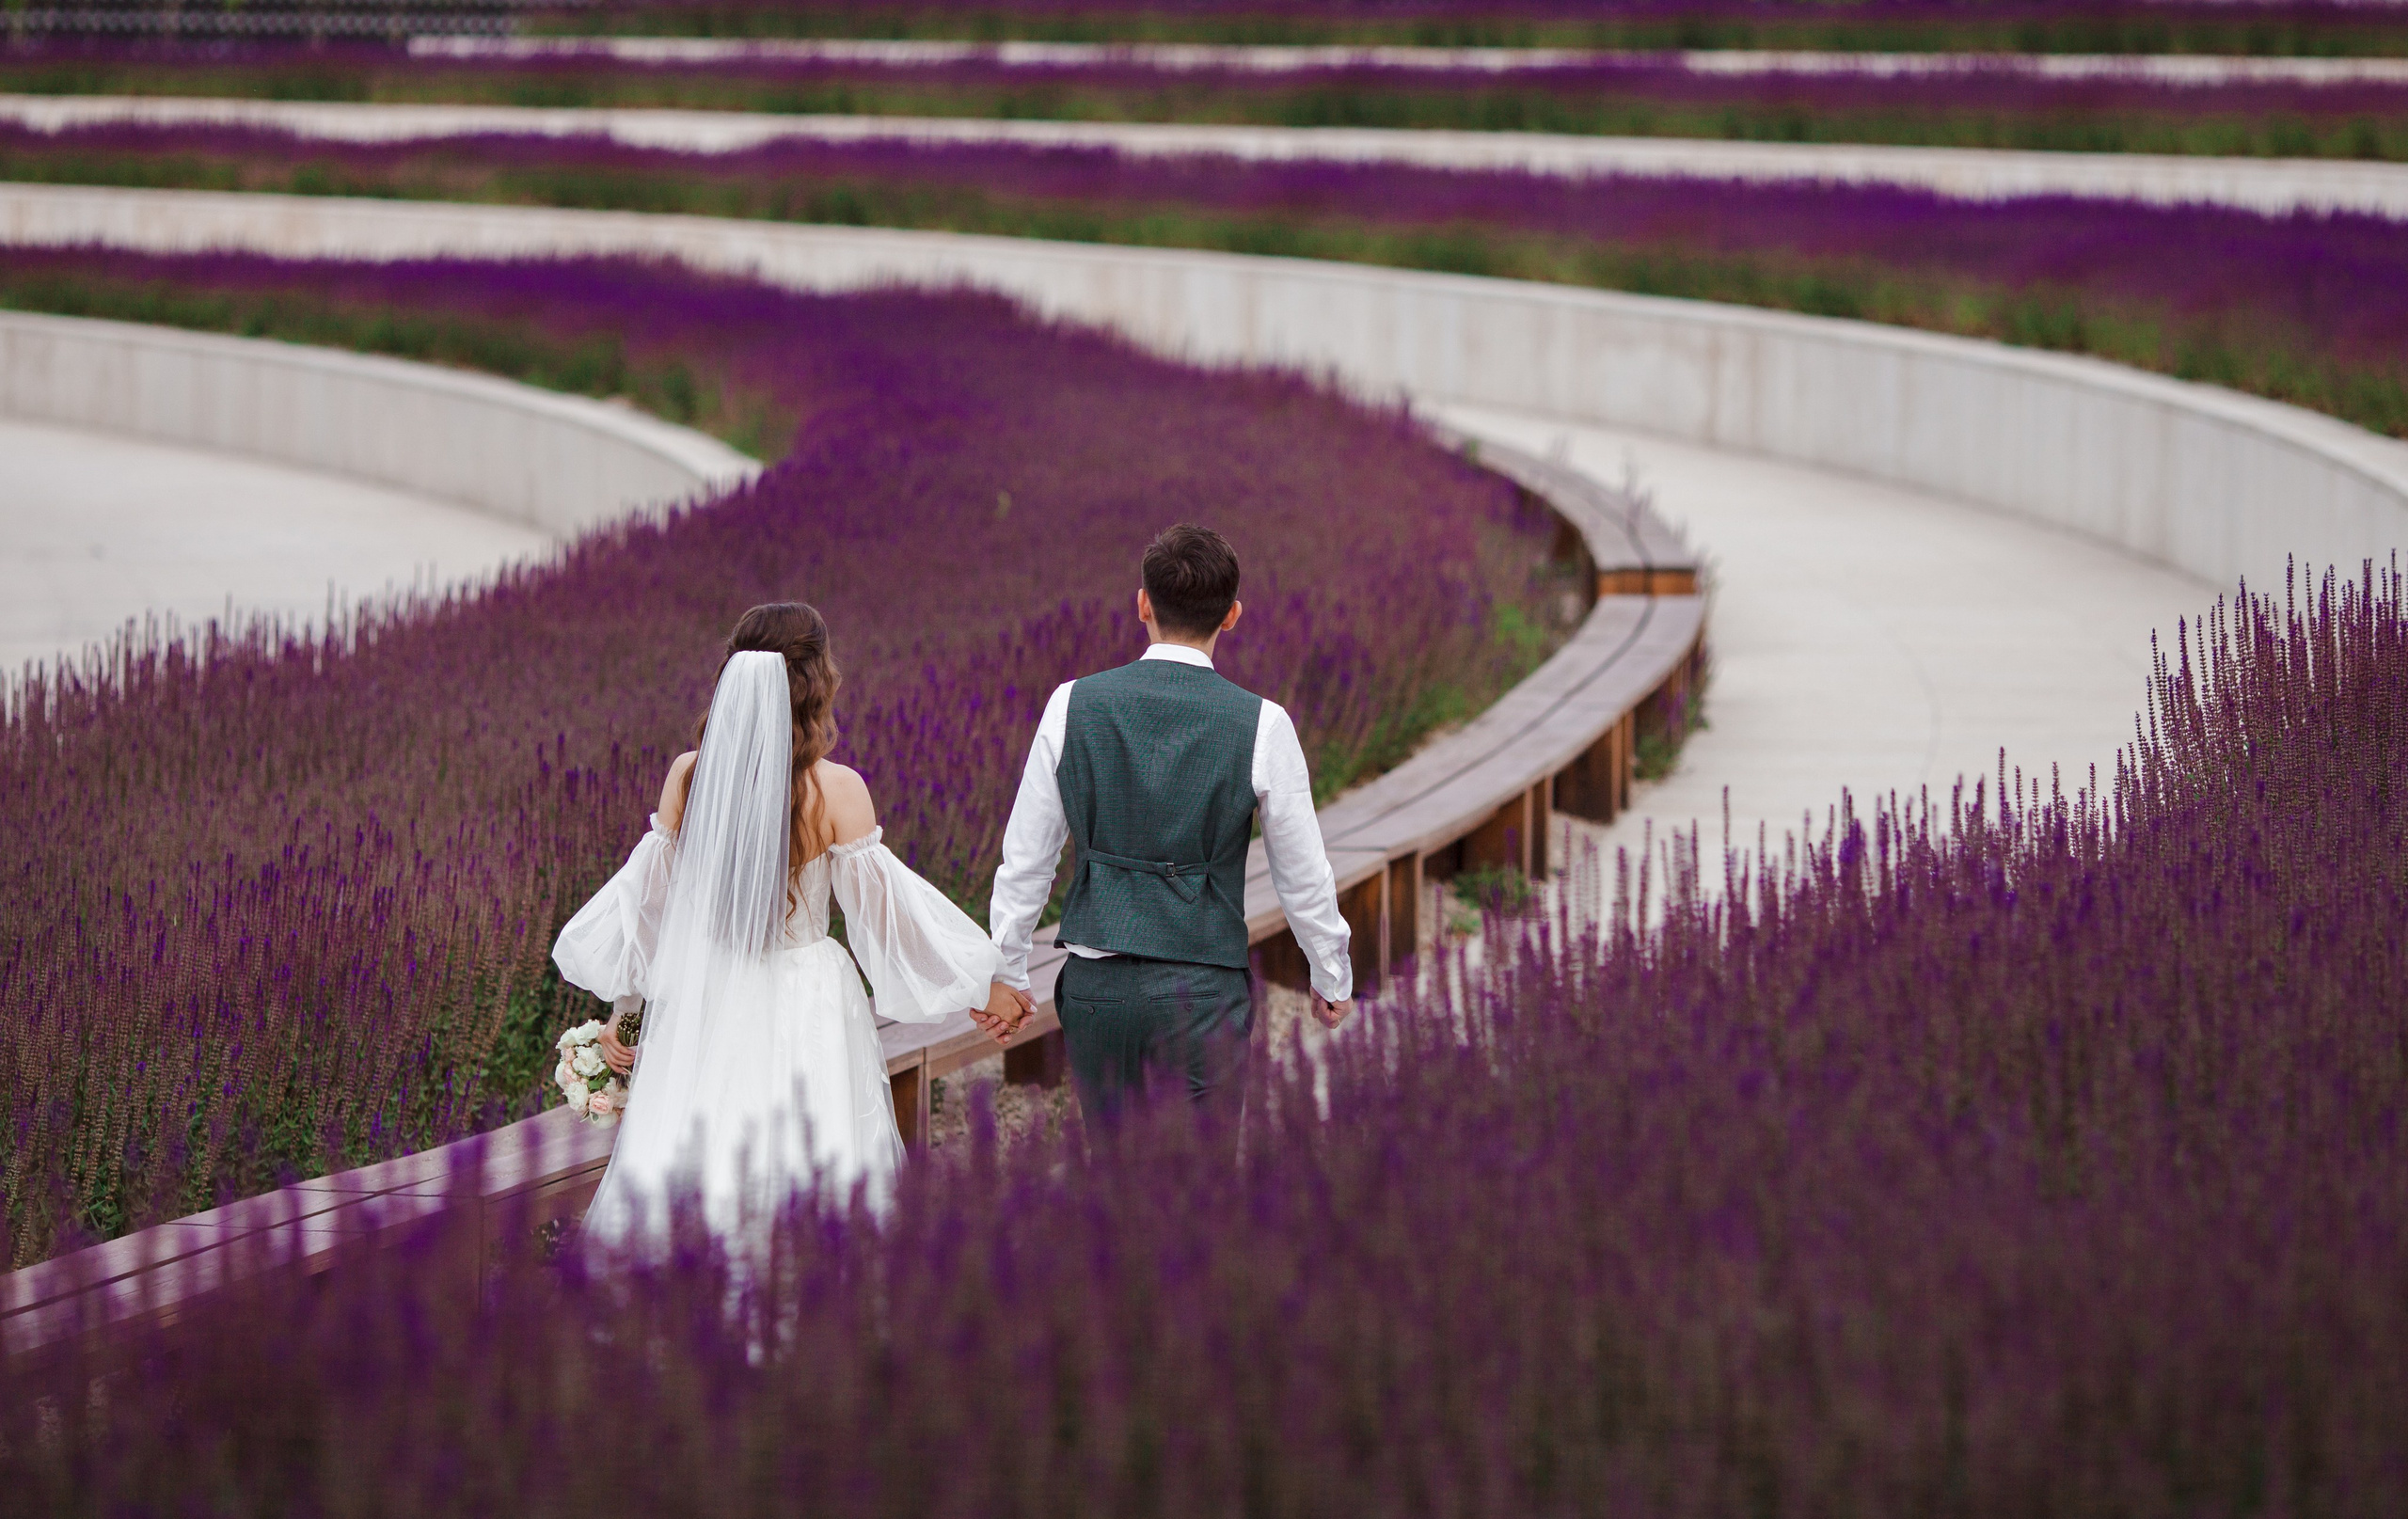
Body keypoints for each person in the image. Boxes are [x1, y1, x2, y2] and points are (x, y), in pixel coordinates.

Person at [551, 603, 1031, 1237]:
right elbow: (890, 917)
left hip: (709, 997)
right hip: (809, 998)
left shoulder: (689, 776)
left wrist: (627, 1010)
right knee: (813, 1157)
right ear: (815, 684)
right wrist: (985, 984)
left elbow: (653, 911)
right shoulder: (835, 790)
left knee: (702, 1154)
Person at [986, 524, 1354, 1127]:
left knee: (1113, 1181)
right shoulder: (1263, 723)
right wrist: (1330, 971)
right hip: (1201, 985)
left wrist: (1005, 970)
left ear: (1142, 604)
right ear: (1232, 616)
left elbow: (1028, 856)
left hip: (1095, 987)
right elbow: (1303, 873)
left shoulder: (1071, 703)